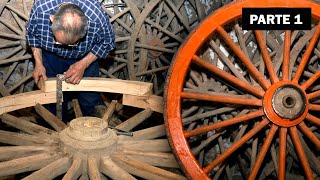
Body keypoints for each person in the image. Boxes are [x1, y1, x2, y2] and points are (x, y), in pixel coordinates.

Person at [26, 0, 115, 122]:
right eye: (59, 42)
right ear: (52, 20)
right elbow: (32, 35)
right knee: (51, 101)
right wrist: (38, 63)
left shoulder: (96, 16)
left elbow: (107, 43)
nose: (65, 47)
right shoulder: (41, 9)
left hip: (84, 57)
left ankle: (92, 134)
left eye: (73, 43)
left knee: (90, 101)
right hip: (51, 57)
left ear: (86, 26)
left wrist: (83, 64)